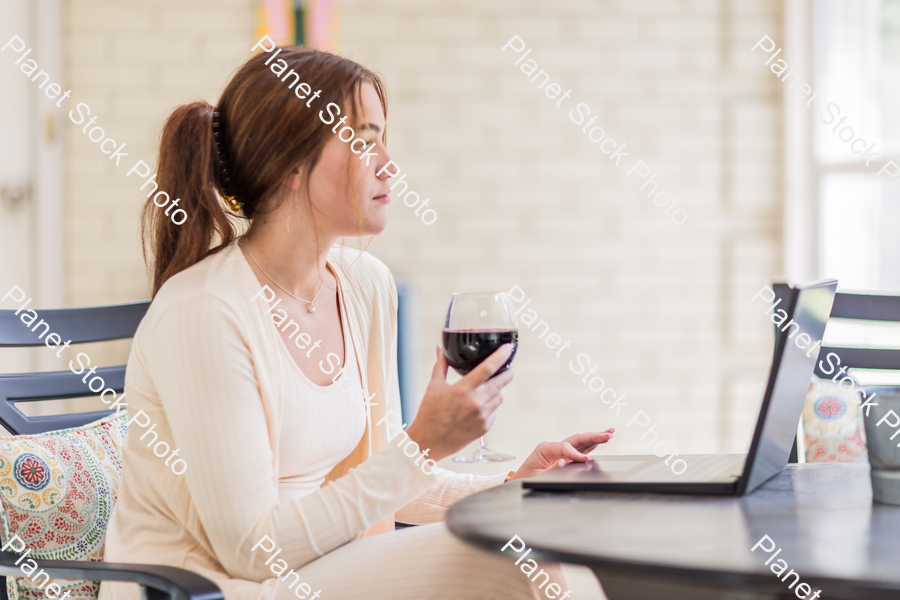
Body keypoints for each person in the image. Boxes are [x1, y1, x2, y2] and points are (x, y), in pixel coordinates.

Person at [99, 45, 614, 600]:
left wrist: (510, 486)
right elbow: (250, 551)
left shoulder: (364, 285)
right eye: (365, 142)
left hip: (309, 568)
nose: (390, 164)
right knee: (518, 565)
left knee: (538, 547)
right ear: (290, 166)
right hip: (206, 585)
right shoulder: (204, 311)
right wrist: (422, 444)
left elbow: (385, 482)